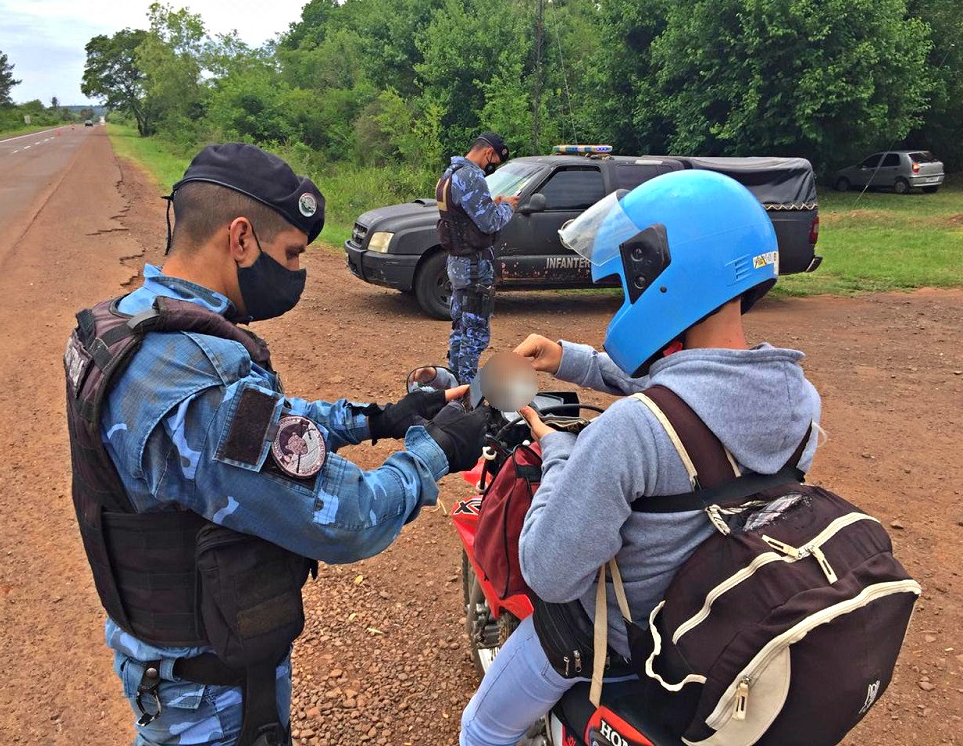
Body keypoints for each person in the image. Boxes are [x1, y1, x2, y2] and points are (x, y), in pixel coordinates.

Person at [63, 142, 491, 746]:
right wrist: (437, 449)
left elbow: (262, 426)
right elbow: (347, 518)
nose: (296, 272)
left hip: (164, 663)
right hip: (210, 698)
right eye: (290, 254)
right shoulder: (199, 375)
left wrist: (376, 419)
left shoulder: (129, 326)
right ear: (240, 239)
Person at [458, 170, 823, 745]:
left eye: (628, 285)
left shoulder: (632, 433)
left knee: (478, 729)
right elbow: (688, 393)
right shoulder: (799, 399)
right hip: (719, 616)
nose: (624, 297)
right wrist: (569, 357)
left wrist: (557, 446)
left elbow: (549, 573)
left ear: (667, 282)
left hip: (623, 632)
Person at [436, 132, 520, 384]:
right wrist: (507, 207)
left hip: (457, 262)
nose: (491, 165)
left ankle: (454, 383)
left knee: (461, 327)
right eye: (493, 160)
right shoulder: (471, 176)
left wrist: (492, 202)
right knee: (475, 333)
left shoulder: (450, 174)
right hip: (473, 265)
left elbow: (463, 215)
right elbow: (490, 223)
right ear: (488, 153)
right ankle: (465, 392)